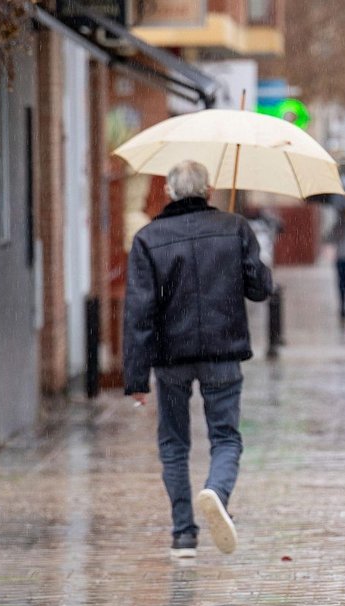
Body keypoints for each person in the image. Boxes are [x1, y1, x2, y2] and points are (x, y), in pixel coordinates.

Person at [123, 160, 273, 559]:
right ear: (208, 191)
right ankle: (217, 492)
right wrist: (246, 253)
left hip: (170, 357)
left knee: (174, 443)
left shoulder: (148, 239)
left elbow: (139, 313)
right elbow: (260, 288)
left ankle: (183, 535)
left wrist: (136, 377)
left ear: (169, 192)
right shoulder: (234, 228)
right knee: (225, 437)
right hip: (223, 351)